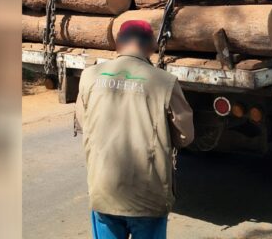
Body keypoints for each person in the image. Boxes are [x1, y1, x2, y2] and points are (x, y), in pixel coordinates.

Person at [75, 20, 194, 239]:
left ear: (118, 44)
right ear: (151, 46)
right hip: (148, 197)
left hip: (104, 193)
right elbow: (186, 136)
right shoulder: (165, 82)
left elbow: (84, 123)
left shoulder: (89, 77)